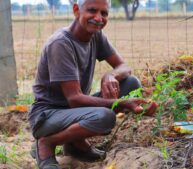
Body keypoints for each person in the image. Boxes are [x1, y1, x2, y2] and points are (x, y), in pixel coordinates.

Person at [28, 0, 148, 168]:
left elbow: (124, 67)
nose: (98, 18)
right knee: (105, 117)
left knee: (130, 84)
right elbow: (74, 99)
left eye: (104, 13)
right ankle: (47, 143)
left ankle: (74, 144)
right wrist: (121, 103)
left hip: (73, 112)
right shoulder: (61, 43)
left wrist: (110, 75)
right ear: (76, 10)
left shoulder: (95, 35)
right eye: (92, 10)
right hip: (47, 116)